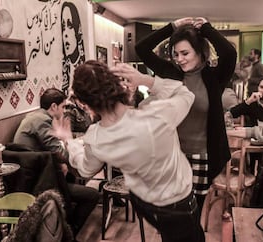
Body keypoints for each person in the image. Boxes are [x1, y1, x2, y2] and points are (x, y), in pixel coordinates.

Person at [52, 60, 205, 242]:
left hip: (143, 202)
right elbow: (185, 94)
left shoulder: (96, 136)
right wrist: (145, 80)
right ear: (116, 85)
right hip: (177, 204)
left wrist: (68, 140)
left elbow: (85, 169)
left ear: (85, 103)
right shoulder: (155, 114)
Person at [135, 17, 237, 211]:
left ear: (199, 53)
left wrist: (206, 29)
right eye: (175, 54)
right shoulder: (170, 72)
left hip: (202, 157)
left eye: (185, 53)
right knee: (168, 212)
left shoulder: (214, 78)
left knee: (192, 213)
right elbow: (141, 48)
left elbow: (229, 53)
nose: (179, 59)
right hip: (171, 155)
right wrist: (172, 27)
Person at [13, 88, 99, 237]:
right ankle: (69, 233)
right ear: (54, 106)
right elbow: (57, 150)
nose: (64, 110)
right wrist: (71, 150)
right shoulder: (42, 121)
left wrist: (66, 144)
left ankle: (63, 224)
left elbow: (54, 146)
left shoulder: (36, 117)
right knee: (92, 195)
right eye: (63, 106)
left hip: (33, 174)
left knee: (71, 175)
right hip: (37, 181)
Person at [61, 2, 86, 94]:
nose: (65, 34)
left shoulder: (84, 74)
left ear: (77, 30)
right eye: (63, 27)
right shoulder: (66, 73)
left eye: (70, 26)